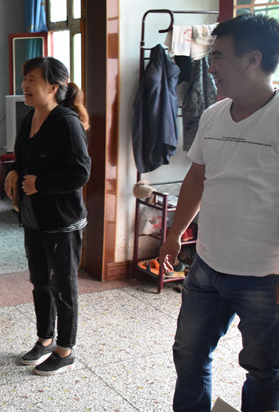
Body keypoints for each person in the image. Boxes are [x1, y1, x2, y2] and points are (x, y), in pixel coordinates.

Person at [159, 14, 279, 412]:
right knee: (188, 354)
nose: (210, 67)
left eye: (218, 56)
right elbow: (196, 178)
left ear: (253, 59)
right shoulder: (213, 114)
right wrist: (175, 234)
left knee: (264, 370)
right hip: (207, 266)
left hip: (266, 276)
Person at [4, 57, 91, 376]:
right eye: (25, 78)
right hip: (33, 216)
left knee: (63, 285)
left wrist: (41, 184)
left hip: (61, 220)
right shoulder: (30, 116)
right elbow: (23, 156)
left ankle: (65, 350)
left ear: (53, 87)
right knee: (40, 282)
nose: (25, 85)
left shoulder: (67, 122)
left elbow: (81, 172)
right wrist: (15, 170)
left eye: (32, 80)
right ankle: (45, 338)